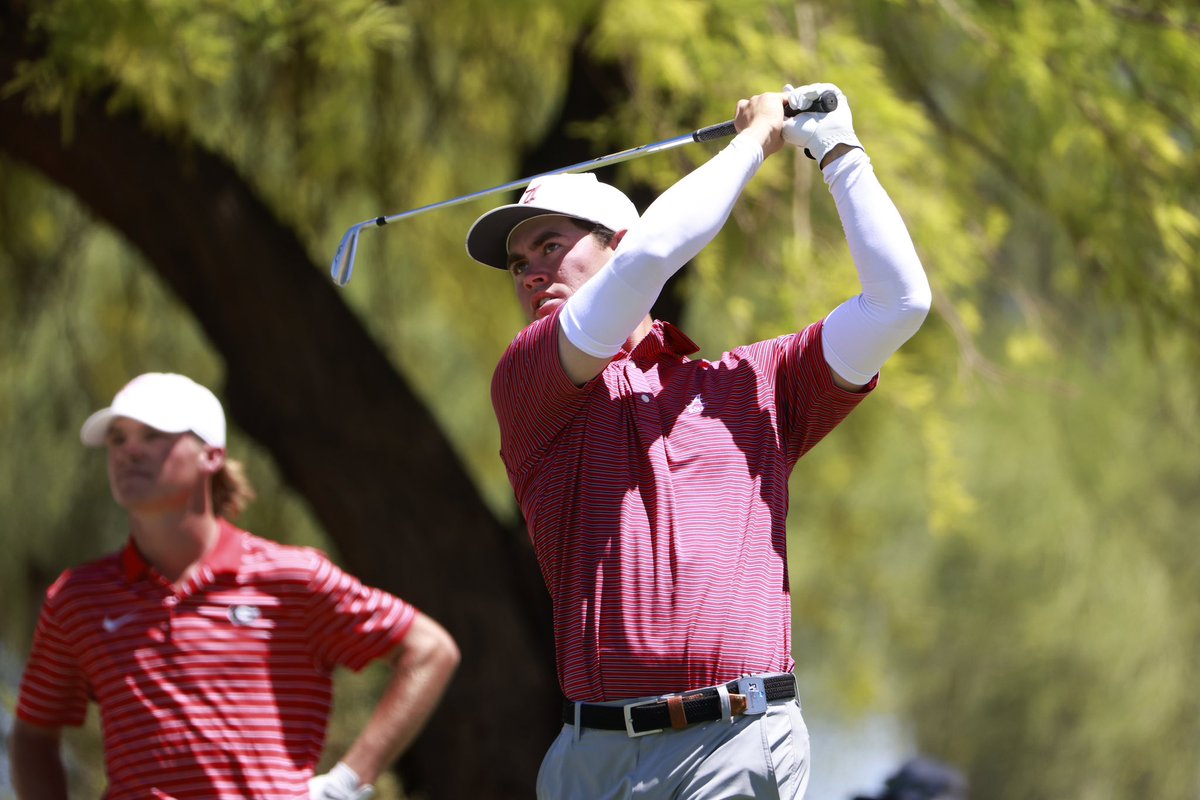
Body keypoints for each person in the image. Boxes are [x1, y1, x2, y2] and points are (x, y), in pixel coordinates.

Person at [466, 82, 931, 798]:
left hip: (738, 742)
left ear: (611, 242)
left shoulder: (757, 386)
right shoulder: (530, 383)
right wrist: (755, 142)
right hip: (594, 758)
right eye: (519, 262)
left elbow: (899, 303)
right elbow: (646, 261)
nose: (530, 272)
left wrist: (838, 151)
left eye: (550, 245)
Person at [8, 372, 460, 799]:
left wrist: (345, 782)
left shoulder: (290, 578)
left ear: (212, 454)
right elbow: (33, 734)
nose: (129, 452)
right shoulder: (78, 598)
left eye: (153, 436)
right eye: (117, 438)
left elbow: (430, 649)